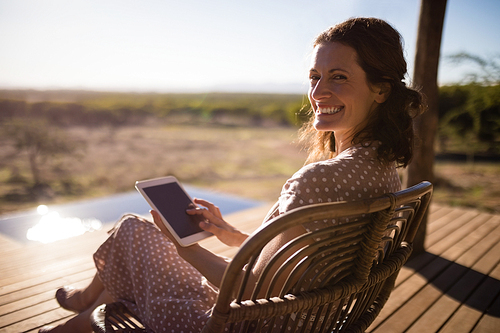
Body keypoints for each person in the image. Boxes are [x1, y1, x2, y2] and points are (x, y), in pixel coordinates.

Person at [39, 17, 425, 333]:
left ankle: (84, 304)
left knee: (132, 230)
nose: (319, 91)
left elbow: (254, 289)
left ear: (380, 89)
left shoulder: (317, 180)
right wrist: (230, 234)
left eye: (338, 76)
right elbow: (301, 266)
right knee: (132, 257)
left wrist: (187, 249)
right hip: (308, 321)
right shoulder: (385, 172)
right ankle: (78, 314)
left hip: (237, 324)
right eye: (314, 76)